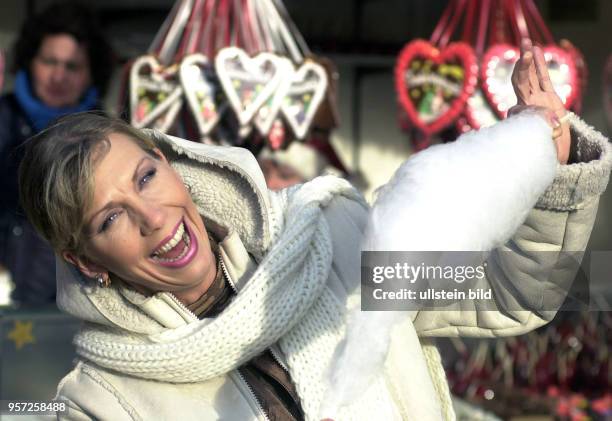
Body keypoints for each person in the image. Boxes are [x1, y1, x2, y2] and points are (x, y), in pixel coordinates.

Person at [17, 41, 611, 420]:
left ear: (173, 165)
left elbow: (510, 294)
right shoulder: (100, 403)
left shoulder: (336, 239)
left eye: (145, 176)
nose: (152, 218)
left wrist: (547, 163)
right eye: (111, 218)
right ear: (88, 260)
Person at [0, 1, 114, 304]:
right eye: (49, 61)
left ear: (93, 73)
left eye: (73, 66)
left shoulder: (110, 138)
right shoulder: (2, 120)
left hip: (80, 303)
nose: (59, 76)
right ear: (28, 61)